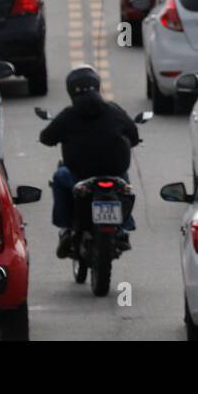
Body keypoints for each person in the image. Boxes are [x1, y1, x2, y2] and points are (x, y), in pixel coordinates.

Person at [40, 65, 140, 258]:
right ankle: (125, 224)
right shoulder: (114, 110)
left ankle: (66, 228)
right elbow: (133, 135)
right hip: (116, 174)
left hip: (79, 176)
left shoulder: (68, 115)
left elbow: (47, 137)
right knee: (126, 186)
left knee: (59, 178)